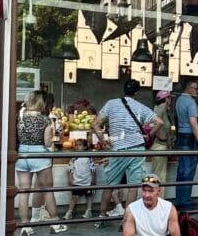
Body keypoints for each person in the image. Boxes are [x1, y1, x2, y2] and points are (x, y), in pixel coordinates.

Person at [96, 80, 162, 219]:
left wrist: (103, 141)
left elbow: (95, 124)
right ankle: (127, 218)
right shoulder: (140, 107)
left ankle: (101, 216)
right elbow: (159, 122)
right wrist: (149, 135)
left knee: (110, 185)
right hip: (137, 149)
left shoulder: (111, 104)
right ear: (137, 93)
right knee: (133, 186)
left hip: (118, 149)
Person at [14, 91, 66, 236]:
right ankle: (55, 223)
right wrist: (53, 135)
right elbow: (47, 142)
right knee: (48, 190)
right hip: (40, 155)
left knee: (24, 192)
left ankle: (25, 226)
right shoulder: (45, 120)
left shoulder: (20, 117)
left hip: (22, 154)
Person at [173, 80, 198, 212]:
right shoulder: (190, 102)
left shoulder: (178, 101)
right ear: (189, 88)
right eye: (195, 89)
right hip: (189, 137)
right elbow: (193, 122)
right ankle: (186, 202)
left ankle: (179, 199)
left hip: (181, 136)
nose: (197, 91)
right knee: (189, 170)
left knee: (182, 170)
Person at [63, 136, 95, 221]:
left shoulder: (89, 157)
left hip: (87, 181)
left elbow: (93, 169)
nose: (77, 147)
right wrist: (70, 179)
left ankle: (89, 211)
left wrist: (93, 179)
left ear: (85, 147)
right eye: (76, 145)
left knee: (89, 196)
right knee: (74, 197)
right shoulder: (74, 158)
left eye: (80, 145)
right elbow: (70, 169)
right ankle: (69, 212)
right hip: (77, 181)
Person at [148, 90, 174, 183]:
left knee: (158, 174)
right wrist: (160, 135)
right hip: (159, 145)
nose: (171, 100)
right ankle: (157, 196)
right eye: (170, 97)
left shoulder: (163, 109)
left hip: (161, 146)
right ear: (167, 98)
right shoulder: (161, 108)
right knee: (159, 175)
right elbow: (153, 124)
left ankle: (157, 196)